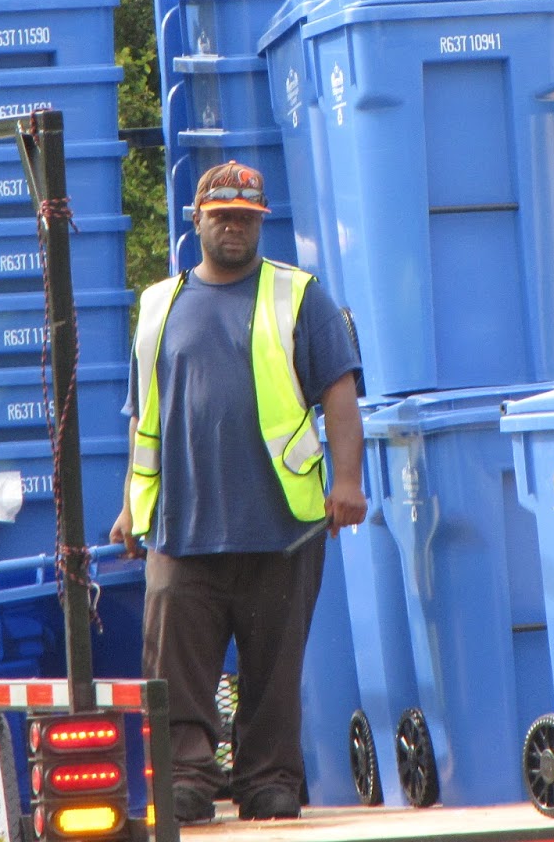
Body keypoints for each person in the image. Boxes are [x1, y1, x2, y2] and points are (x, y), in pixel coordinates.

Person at [111, 159, 367, 825]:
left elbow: (340, 397)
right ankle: (188, 780)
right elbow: (145, 419)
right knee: (174, 673)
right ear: (196, 219)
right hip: (182, 530)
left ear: (262, 222)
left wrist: (347, 483)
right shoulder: (158, 306)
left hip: (281, 527)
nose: (234, 227)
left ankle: (268, 781)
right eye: (222, 215)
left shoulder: (299, 296)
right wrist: (129, 508)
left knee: (274, 671)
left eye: (246, 218)